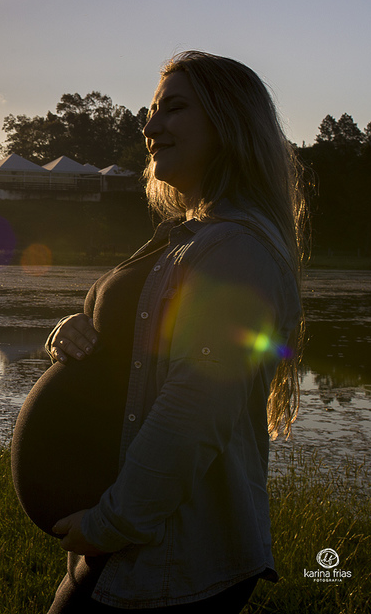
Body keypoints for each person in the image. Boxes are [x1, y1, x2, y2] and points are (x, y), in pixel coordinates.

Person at [43, 51, 306, 612]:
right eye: (151, 110)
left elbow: (198, 403)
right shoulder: (189, 235)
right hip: (133, 550)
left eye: (175, 108)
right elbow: (130, 341)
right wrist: (73, 334)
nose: (150, 125)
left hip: (170, 559)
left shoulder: (236, 249)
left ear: (229, 124)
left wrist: (113, 522)